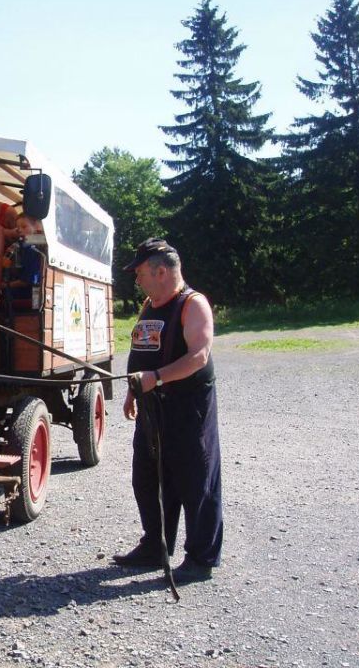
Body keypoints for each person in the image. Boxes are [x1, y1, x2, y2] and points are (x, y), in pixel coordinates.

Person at [113, 237, 223, 585]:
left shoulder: (193, 304)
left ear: (162, 271)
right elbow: (141, 349)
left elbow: (198, 357)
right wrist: (134, 392)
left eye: (141, 272)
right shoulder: (150, 304)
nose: (137, 279)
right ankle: (155, 546)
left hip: (186, 410)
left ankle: (200, 558)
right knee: (147, 479)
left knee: (195, 480)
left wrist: (157, 378)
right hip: (150, 409)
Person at [1, 213, 44, 301]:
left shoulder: (33, 249)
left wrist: (5, 285)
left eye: (24, 227)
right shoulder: (21, 246)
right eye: (18, 228)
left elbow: (27, 281)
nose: (20, 230)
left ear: (37, 227)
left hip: (31, 291)